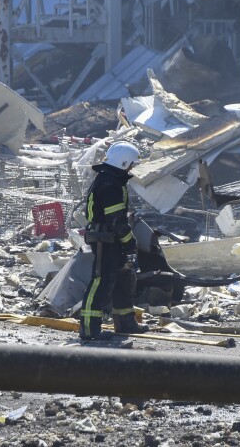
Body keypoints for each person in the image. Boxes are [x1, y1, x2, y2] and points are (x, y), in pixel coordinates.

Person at [79, 142, 149, 341]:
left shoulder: (112, 179)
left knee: (123, 279)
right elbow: (116, 218)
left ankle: (125, 323)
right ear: (123, 162)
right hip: (106, 239)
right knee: (101, 281)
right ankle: (89, 329)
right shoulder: (110, 183)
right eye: (131, 165)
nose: (132, 168)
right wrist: (129, 240)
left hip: (111, 238)